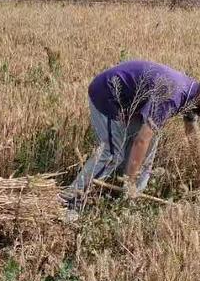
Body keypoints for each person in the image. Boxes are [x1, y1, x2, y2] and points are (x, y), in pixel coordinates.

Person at [63, 60, 200, 207]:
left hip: (132, 104)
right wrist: (130, 182)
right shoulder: (172, 96)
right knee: (112, 154)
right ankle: (69, 198)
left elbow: (191, 131)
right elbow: (141, 141)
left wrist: (195, 165)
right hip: (108, 94)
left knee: (151, 143)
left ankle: (128, 203)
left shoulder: (192, 94)